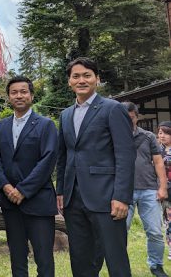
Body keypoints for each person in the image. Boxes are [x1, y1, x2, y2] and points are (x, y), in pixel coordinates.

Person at [56, 57, 136, 277]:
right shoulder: (65, 115)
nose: (82, 80)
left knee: (115, 257)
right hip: (73, 198)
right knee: (81, 259)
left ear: (97, 79)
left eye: (87, 75)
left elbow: (125, 154)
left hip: (107, 196)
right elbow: (63, 155)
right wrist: (61, 190)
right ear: (69, 82)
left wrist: (122, 196)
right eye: (76, 76)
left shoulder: (112, 109)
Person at [0, 76, 58, 277]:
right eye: (14, 92)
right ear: (8, 97)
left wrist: (23, 190)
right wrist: (5, 185)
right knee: (17, 255)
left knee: (43, 257)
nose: (19, 95)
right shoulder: (1, 126)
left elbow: (48, 160)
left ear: (32, 95)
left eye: (23, 91)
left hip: (38, 201)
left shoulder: (45, 125)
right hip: (10, 203)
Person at [122, 103, 168, 277]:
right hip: (123, 192)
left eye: (131, 117)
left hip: (149, 189)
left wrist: (162, 187)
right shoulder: (113, 136)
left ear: (137, 117)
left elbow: (158, 162)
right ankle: (121, 268)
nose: (128, 120)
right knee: (120, 233)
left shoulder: (148, 136)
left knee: (155, 231)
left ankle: (156, 265)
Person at [159, 122, 171, 261]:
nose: (161, 136)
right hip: (164, 191)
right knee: (168, 221)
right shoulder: (157, 150)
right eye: (160, 133)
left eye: (165, 133)